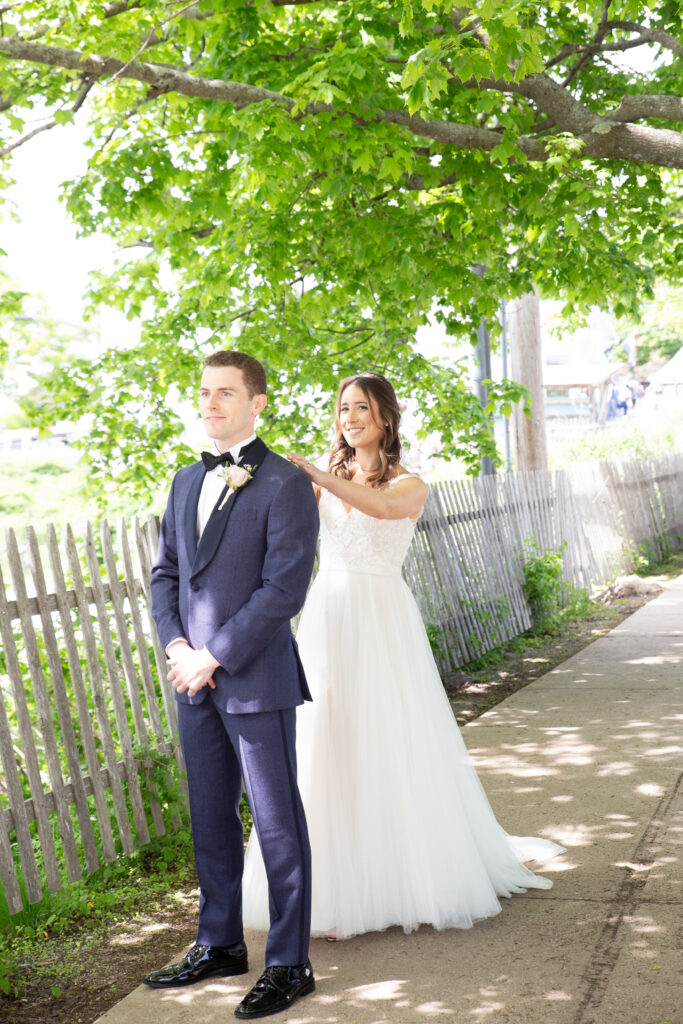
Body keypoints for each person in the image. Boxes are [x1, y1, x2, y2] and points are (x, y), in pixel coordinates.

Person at [242, 371, 564, 941]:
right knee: (327, 737)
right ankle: (328, 888)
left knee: (384, 736)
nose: (349, 418)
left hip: (381, 618)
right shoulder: (325, 478)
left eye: (360, 407)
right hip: (327, 615)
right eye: (343, 408)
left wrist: (318, 473)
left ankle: (400, 877)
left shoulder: (410, 484)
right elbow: (285, 525)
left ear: (385, 417)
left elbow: (382, 511)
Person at [146, 350, 319, 1020]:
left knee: (276, 825)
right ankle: (218, 942)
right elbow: (165, 575)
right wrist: (178, 646)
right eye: (204, 393)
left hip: (255, 679)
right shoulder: (186, 480)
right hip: (192, 680)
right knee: (210, 819)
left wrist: (213, 654)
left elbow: (283, 590)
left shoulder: (283, 483)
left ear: (257, 403)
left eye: (225, 393)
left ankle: (288, 962)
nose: (210, 404)